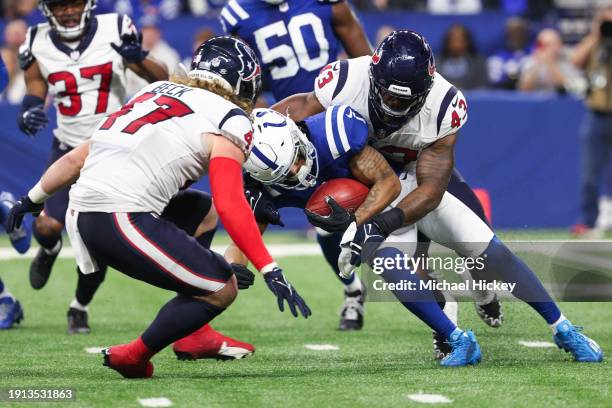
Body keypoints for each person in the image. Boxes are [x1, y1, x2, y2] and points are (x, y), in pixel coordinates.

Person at [273, 30, 603, 363]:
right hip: (368, 183)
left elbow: (430, 190)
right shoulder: (346, 80)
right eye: (387, 96)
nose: (392, 106)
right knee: (394, 266)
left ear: (424, 92)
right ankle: (451, 333)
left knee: (488, 252)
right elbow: (300, 109)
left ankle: (562, 327)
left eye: (403, 101)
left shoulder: (444, 105)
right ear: (374, 79)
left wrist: (382, 223)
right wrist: (259, 128)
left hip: (417, 178)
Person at [7, 36, 311, 378]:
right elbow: (230, 199)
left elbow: (79, 156)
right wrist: (269, 267)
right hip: (119, 217)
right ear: (245, 82)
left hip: (86, 212)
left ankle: (194, 335)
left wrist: (31, 199)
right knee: (222, 289)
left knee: (202, 210)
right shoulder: (230, 119)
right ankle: (134, 355)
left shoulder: (154, 91)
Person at [222, 107, 481, 366]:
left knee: (402, 260)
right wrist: (233, 267)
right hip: (355, 213)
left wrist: (355, 224)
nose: (297, 172)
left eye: (297, 159)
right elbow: (245, 236)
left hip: (391, 195)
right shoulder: (261, 185)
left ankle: (462, 317)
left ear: (295, 135)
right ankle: (448, 317)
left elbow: (389, 182)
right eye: (285, 175)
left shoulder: (331, 134)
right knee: (397, 270)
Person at [17, 0, 168, 334]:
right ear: (46, 10)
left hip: (113, 147)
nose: (68, 12)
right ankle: (51, 248)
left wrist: (137, 58)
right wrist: (29, 109)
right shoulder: (35, 39)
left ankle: (79, 307)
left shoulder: (117, 27)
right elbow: (35, 86)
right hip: (67, 146)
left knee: (96, 237)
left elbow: (162, 79)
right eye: (60, 6)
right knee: (46, 228)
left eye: (74, 4)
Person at [220, 0, 372, 330]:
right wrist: (263, 127)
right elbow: (244, 87)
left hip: (337, 117)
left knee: (363, 201)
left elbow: (366, 62)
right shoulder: (239, 14)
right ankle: (352, 290)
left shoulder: (325, 4)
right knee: (291, 211)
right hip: (286, 131)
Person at [570, 7, 612, 237]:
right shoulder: (595, 44)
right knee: (590, 174)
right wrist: (597, 34)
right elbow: (575, 60)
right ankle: (589, 221)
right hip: (596, 115)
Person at [518, 28, 583, 94]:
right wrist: (536, 65)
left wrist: (550, 63)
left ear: (559, 45)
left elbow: (569, 87)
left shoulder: (569, 60)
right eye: (541, 45)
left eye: (548, 45)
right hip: (536, 102)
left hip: (562, 103)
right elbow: (524, 89)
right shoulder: (531, 60)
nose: (544, 48)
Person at [437, 24, 488, 90]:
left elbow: (482, 89)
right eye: (452, 40)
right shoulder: (435, 65)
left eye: (460, 40)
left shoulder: (478, 64)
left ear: (467, 42)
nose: (456, 44)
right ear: (447, 42)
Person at [487, 16, 530, 89]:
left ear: (525, 34)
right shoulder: (497, 58)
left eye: (519, 32)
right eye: (511, 32)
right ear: (506, 34)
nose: (515, 36)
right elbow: (495, 82)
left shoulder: (533, 55)